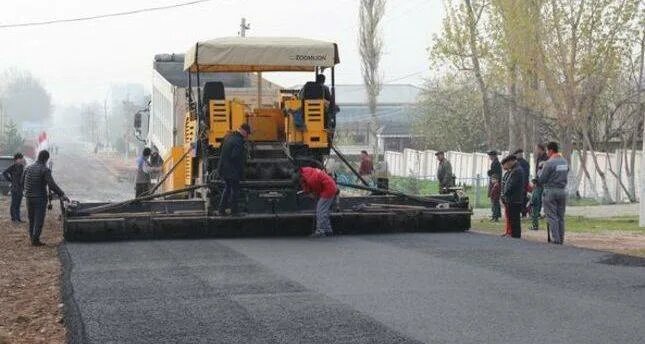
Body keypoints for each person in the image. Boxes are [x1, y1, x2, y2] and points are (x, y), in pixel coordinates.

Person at [22, 150, 68, 246]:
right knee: (39, 219)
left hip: (29, 197)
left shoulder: (28, 167)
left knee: (31, 219)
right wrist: (62, 194)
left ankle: (32, 238)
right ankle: (36, 240)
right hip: (40, 198)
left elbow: (22, 181)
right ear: (46, 159)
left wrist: (27, 191)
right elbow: (51, 185)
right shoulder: (44, 169)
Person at [537, 141, 569, 244]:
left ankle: (556, 239)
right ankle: (561, 238)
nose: (546, 153)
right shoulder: (564, 162)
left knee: (552, 216)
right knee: (560, 216)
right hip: (562, 191)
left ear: (550, 150)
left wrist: (540, 169)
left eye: (547, 151)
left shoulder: (549, 163)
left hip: (550, 191)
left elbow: (542, 179)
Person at [217, 123, 250, 216]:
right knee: (234, 190)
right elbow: (235, 156)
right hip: (232, 170)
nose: (247, 136)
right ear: (243, 131)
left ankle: (221, 210)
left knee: (227, 188)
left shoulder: (230, 137)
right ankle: (234, 211)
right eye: (247, 134)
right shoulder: (238, 141)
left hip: (224, 169)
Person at [298, 166, 338, 237]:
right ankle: (328, 230)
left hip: (328, 190)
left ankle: (320, 231)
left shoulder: (311, 178)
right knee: (324, 211)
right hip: (330, 187)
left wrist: (313, 194)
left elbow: (316, 188)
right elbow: (305, 183)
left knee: (320, 211)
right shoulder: (307, 171)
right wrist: (307, 191)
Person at [501, 155, 523, 238]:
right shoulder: (514, 170)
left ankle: (515, 236)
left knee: (514, 219)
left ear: (511, 161)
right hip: (512, 198)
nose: (507, 165)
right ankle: (513, 234)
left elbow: (511, 185)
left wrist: (505, 193)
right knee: (512, 219)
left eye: (508, 163)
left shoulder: (517, 171)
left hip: (514, 198)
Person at [530, 144, 549, 230]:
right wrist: (535, 180)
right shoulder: (538, 158)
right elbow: (537, 171)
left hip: (545, 185)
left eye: (537, 149)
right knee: (534, 202)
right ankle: (535, 224)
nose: (536, 151)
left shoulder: (547, 158)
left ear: (542, 149)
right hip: (538, 184)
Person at [3, 153, 25, 222]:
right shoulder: (13, 167)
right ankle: (13, 218)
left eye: (21, 158)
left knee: (18, 203)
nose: (21, 160)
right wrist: (10, 180)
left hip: (20, 188)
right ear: (16, 159)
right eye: (20, 158)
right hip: (14, 188)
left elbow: (23, 177)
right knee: (14, 203)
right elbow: (4, 172)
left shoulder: (22, 167)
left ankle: (18, 218)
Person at [513, 149, 530, 217]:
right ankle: (519, 212)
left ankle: (523, 213)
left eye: (519, 154)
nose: (517, 155)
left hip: (522, 184)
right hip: (517, 184)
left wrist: (523, 184)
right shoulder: (516, 163)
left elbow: (526, 175)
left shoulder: (524, 163)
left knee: (522, 199)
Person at [487, 150, 502, 220]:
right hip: (494, 182)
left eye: (490, 156)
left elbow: (494, 173)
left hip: (495, 183)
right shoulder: (495, 163)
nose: (489, 157)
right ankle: (495, 215)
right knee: (494, 201)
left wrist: (489, 172)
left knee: (494, 201)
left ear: (493, 156)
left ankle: (495, 215)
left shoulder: (496, 163)